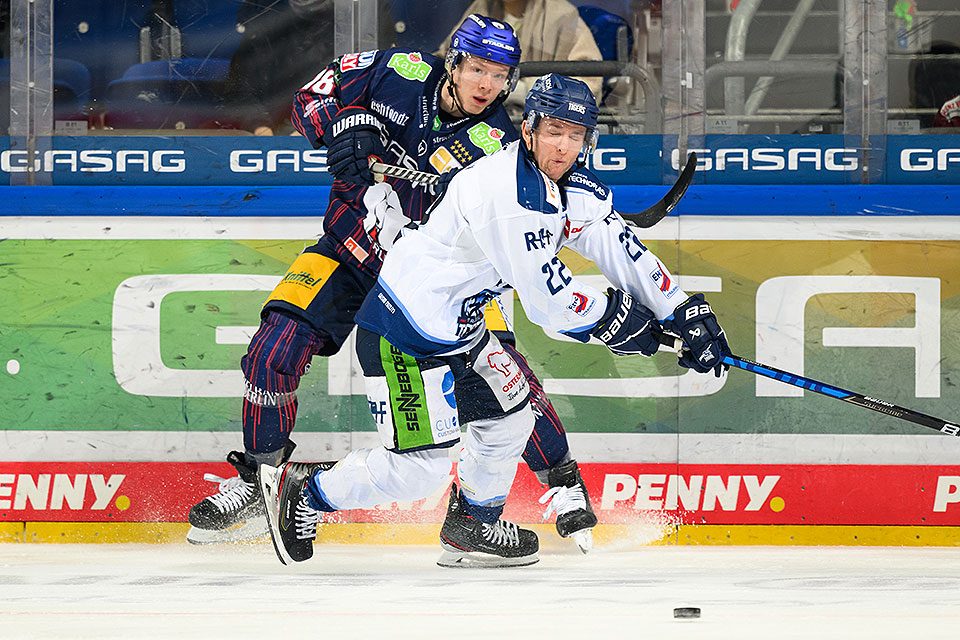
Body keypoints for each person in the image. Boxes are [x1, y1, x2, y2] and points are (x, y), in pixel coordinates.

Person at [259, 73, 730, 568]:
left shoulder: (571, 184)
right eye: (554, 131)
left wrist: (682, 309)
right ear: (528, 130)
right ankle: (305, 492)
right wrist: (623, 322)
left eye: (576, 134)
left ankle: (472, 524)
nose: (564, 146)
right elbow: (549, 305)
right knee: (418, 470)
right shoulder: (508, 196)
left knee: (512, 418)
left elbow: (617, 245)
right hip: (405, 331)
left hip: (461, 330)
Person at [188, 14, 598, 553]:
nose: (486, 86)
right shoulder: (395, 71)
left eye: (499, 76)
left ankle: (561, 483)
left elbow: (537, 201)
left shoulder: (500, 147)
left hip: (434, 287)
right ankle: (258, 483)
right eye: (477, 69)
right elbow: (312, 96)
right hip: (349, 252)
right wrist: (341, 128)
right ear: (453, 61)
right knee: (273, 350)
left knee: (507, 379)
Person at [222, 0, 395, 135]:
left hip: (341, 141)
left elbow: (377, 85)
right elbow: (240, 88)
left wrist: (318, 127)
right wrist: (259, 127)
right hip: (277, 136)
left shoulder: (364, 11)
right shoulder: (261, 12)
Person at [438, 0, 603, 111]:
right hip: (477, 116)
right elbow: (445, 58)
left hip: (536, 125)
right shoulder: (481, 6)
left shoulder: (562, 14)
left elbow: (589, 84)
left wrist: (527, 91)